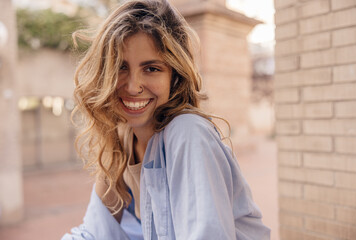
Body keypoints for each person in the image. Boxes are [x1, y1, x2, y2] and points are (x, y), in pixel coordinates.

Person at [62, 0, 270, 239]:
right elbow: (94, 232)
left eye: (151, 69)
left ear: (174, 75)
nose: (132, 86)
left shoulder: (188, 133)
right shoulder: (122, 137)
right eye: (121, 67)